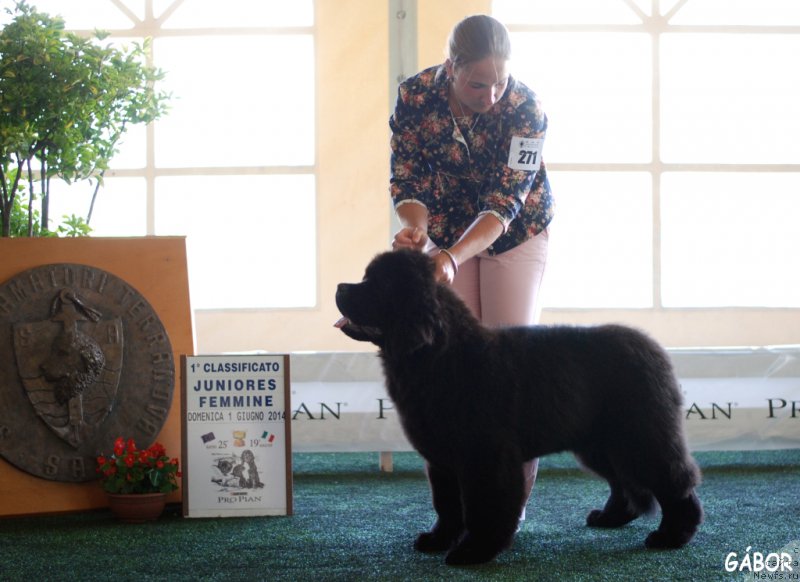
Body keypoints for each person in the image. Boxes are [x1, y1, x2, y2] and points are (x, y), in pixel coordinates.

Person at [389, 14, 554, 521]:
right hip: (444, 234)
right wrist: (416, 230)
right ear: (450, 67)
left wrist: (453, 257)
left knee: (507, 367)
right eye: (478, 83)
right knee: (454, 368)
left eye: (500, 81)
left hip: (513, 234)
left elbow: (505, 203)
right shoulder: (416, 96)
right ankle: (459, 503)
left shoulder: (527, 108)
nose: (491, 95)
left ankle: (509, 504)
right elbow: (407, 176)